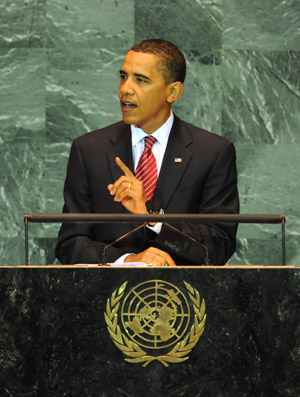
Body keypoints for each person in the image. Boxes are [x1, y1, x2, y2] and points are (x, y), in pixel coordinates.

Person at [55, 39, 239, 266]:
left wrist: (153, 219)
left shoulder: (212, 153)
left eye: (141, 80)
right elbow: (69, 244)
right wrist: (127, 260)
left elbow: (219, 246)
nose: (125, 89)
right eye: (123, 77)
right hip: (103, 295)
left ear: (173, 91)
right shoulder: (89, 150)